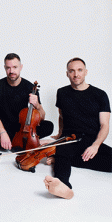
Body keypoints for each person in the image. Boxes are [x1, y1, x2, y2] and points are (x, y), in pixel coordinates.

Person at [44, 57, 112, 199]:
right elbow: (61, 116)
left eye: (80, 70)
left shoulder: (100, 95)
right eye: (72, 71)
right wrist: (59, 136)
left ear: (86, 72)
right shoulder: (62, 92)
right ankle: (63, 186)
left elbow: (105, 125)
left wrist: (95, 145)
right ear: (67, 73)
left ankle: (62, 157)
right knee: (63, 153)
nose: (76, 74)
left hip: (91, 139)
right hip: (70, 138)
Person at [0, 53, 53, 150]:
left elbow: (42, 117)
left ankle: (5, 143)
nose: (11, 71)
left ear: (21, 67)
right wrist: (3, 133)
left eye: (15, 67)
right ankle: (34, 142)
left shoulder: (31, 87)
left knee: (49, 126)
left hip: (24, 127)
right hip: (5, 126)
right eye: (8, 68)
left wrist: (37, 105)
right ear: (4, 68)